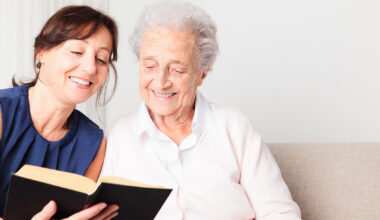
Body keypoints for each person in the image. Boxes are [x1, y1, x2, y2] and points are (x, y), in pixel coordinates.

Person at [100, 1, 301, 219]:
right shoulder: (121, 134)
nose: (161, 81)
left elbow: (280, 212)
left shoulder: (234, 127)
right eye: (150, 66)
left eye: (177, 69)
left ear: (202, 74)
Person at [0, 5, 119, 219]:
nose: (91, 68)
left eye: (101, 59)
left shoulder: (94, 143)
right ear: (41, 52)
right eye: (77, 52)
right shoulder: (2, 113)